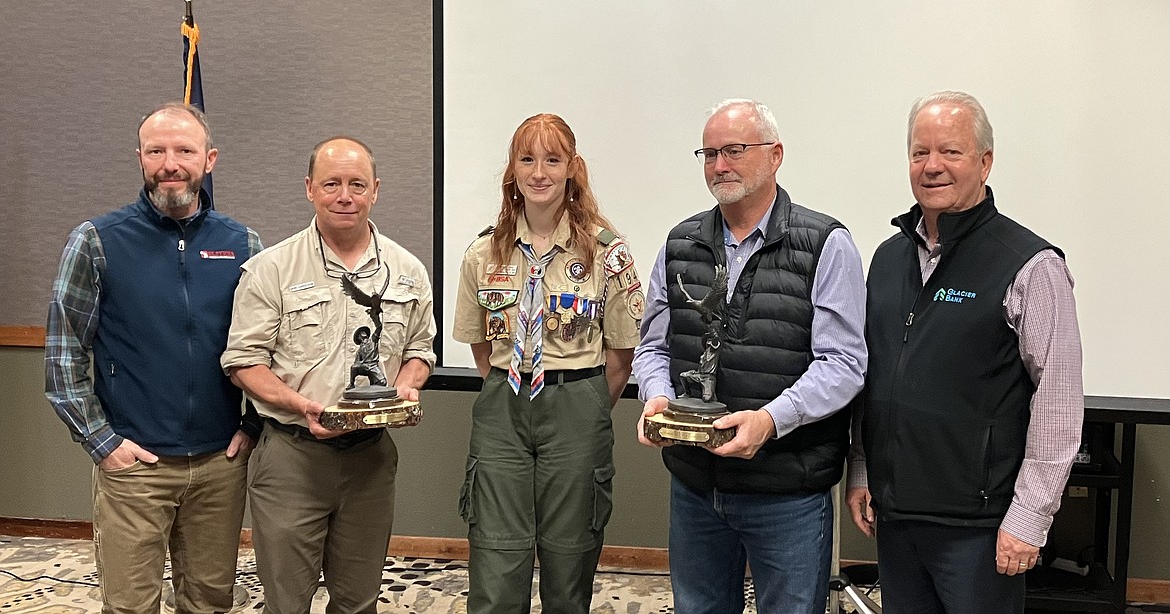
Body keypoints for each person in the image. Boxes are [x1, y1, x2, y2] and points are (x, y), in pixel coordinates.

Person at [846, 91, 1085, 613]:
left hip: (981, 530)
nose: (932, 167)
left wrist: (1030, 519)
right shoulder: (888, 259)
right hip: (897, 517)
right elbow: (875, 372)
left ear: (985, 161)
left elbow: (1059, 404)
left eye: (950, 152)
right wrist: (862, 471)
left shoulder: (1030, 265)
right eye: (919, 153)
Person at [633, 98, 868, 614]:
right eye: (710, 152)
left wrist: (769, 420)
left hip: (787, 492)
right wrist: (658, 398)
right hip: (696, 488)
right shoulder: (679, 244)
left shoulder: (826, 244)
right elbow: (652, 344)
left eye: (735, 150)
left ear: (775, 155)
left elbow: (844, 364)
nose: (720, 165)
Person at [44, 102, 261, 614]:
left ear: (209, 159)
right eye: (156, 150)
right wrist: (103, 443)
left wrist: (253, 425)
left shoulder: (243, 244)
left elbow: (271, 348)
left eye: (184, 150)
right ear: (139, 158)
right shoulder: (96, 241)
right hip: (134, 465)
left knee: (208, 602)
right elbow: (62, 356)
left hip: (219, 464)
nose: (170, 163)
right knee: (130, 606)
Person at [220, 136, 436, 614]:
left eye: (357, 184)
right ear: (309, 189)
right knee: (286, 602)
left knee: (358, 602)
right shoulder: (271, 269)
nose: (345, 195)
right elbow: (243, 362)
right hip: (293, 460)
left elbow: (421, 350)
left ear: (375, 190)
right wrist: (301, 405)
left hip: (370, 463)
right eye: (332, 183)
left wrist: (407, 385)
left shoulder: (407, 271)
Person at [452, 113, 641, 614]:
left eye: (552, 160)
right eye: (527, 158)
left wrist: (587, 402)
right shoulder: (482, 252)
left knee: (569, 559)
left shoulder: (605, 252)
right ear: (511, 170)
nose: (539, 172)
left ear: (572, 169)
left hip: (577, 405)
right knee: (495, 560)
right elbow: (480, 348)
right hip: (503, 408)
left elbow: (621, 354)